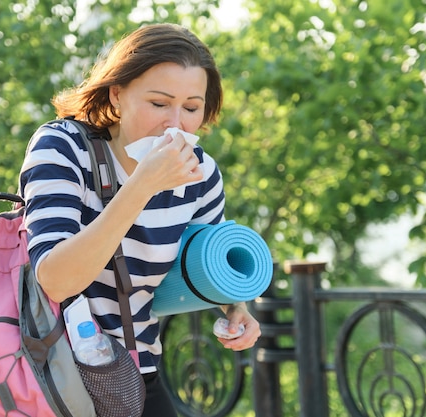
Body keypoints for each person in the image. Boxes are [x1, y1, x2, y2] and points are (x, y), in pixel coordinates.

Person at [19, 23, 261, 416]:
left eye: (191, 107)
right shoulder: (63, 148)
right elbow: (56, 280)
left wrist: (236, 310)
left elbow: (200, 268)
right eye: (159, 103)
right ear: (118, 94)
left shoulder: (200, 175)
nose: (175, 124)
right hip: (52, 375)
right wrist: (143, 184)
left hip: (136, 374)